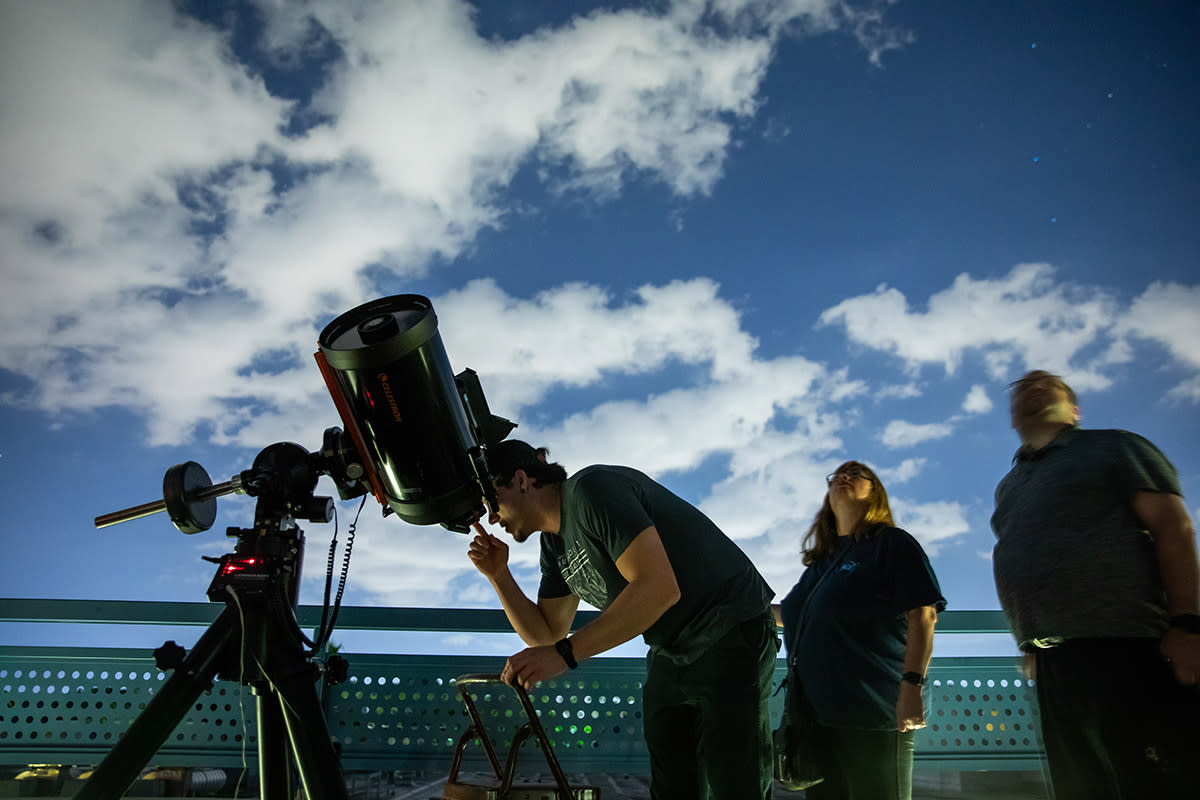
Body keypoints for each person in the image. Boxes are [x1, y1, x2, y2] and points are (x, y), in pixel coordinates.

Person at [467, 439, 778, 800]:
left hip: (730, 628)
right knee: (674, 789)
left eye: (492, 501)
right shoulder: (554, 546)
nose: (491, 516)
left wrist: (565, 655)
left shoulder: (592, 491)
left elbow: (660, 588)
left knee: (737, 784)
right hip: (670, 650)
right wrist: (499, 576)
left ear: (521, 480)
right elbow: (547, 634)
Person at [991, 370, 1200, 800]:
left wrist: (1187, 625)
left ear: (1074, 410)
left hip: (1130, 645)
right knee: (1081, 785)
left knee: (1152, 779)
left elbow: (1173, 528)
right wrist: (1029, 645)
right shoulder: (1009, 485)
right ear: (1012, 418)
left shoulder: (1115, 446)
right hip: (1055, 662)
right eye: (1021, 386)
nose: (1030, 386)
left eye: (1047, 383)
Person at [775, 460, 944, 800]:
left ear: (875, 493)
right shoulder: (820, 564)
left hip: (875, 711)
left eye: (855, 474)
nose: (843, 477)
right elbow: (795, 615)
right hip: (817, 718)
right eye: (836, 475)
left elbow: (923, 614)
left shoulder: (892, 544)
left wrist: (912, 684)